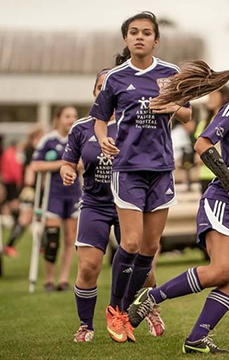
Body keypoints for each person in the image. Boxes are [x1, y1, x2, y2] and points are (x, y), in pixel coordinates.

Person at [128, 51, 229, 354]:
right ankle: (151, 298)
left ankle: (197, 338)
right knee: (220, 271)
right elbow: (203, 143)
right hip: (221, 201)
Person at [91, 11, 192, 343]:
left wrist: (173, 108)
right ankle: (116, 310)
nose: (139, 37)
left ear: (156, 40)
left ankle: (127, 309)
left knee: (150, 247)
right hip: (128, 168)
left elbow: (189, 113)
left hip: (162, 168)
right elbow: (100, 118)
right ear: (126, 39)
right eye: (133, 32)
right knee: (130, 242)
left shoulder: (171, 73)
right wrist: (103, 136)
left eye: (146, 33)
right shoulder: (116, 78)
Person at [61, 69, 165, 343]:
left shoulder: (134, 125)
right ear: (96, 93)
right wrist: (67, 171)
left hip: (128, 203)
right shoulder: (82, 128)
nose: (103, 92)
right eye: (99, 87)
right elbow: (68, 161)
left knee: (144, 267)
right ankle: (86, 325)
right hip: (95, 204)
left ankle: (148, 307)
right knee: (88, 267)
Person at [31, 105, 82, 292]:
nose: (71, 119)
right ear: (58, 118)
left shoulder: (78, 137)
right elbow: (35, 166)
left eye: (74, 116)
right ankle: (49, 280)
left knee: (70, 239)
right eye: (67, 116)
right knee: (52, 239)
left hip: (74, 194)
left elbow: (84, 163)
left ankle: (63, 280)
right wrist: (62, 164)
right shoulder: (48, 140)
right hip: (53, 195)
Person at [5, 128, 45, 257]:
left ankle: (42, 246)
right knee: (25, 219)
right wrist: (29, 187)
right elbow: (29, 170)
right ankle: (10, 245)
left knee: (42, 217)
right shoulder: (31, 150)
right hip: (31, 190)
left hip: (35, 189)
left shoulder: (32, 150)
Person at [194, 87, 229, 194]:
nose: (209, 99)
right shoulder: (204, 123)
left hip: (224, 174)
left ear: (223, 97)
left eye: (213, 95)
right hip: (204, 175)